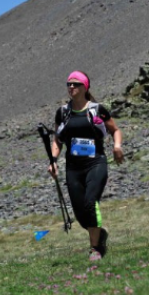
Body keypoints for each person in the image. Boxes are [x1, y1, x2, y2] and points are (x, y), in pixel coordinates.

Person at [48, 71, 124, 261]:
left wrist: (117, 147)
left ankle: (95, 249)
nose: (71, 87)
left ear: (85, 87)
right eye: (69, 84)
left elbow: (115, 130)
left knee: (91, 203)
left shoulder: (97, 110)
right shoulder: (63, 112)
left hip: (95, 162)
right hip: (73, 167)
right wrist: (53, 160)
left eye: (75, 84)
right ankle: (100, 232)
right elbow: (57, 140)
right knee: (81, 214)